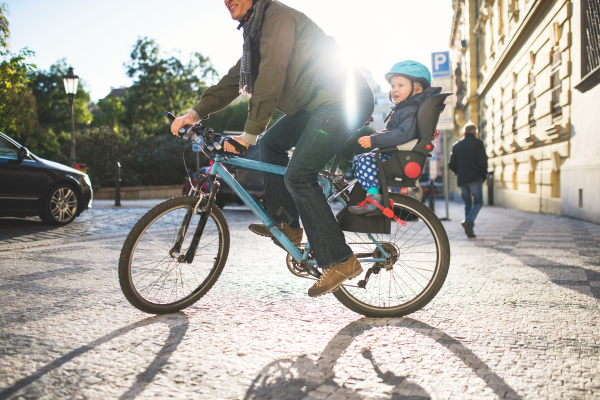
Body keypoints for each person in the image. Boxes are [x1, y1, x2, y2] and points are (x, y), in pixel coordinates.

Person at [170, 0, 374, 298]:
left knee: (299, 176)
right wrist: (195, 113)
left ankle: (341, 260)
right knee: (272, 144)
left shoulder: (276, 18)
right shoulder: (256, 29)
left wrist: (249, 132)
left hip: (342, 99)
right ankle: (286, 223)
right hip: (317, 102)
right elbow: (236, 79)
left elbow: (271, 73)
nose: (227, 1)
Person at [348, 61, 440, 214]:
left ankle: (374, 199)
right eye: (392, 86)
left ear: (417, 90)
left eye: (400, 85)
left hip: (399, 158)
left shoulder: (410, 110)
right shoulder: (404, 109)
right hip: (396, 155)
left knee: (364, 160)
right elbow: (391, 133)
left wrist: (374, 140)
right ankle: (366, 193)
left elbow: (403, 134)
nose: (394, 90)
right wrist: (375, 137)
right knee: (359, 160)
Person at [448, 122, 488, 238]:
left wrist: (458, 172)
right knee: (479, 202)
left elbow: (451, 164)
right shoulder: (478, 144)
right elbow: (483, 161)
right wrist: (483, 175)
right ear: (475, 133)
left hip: (462, 179)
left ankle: (469, 229)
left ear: (464, 133)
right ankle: (468, 221)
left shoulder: (457, 145)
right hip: (475, 178)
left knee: (467, 203)